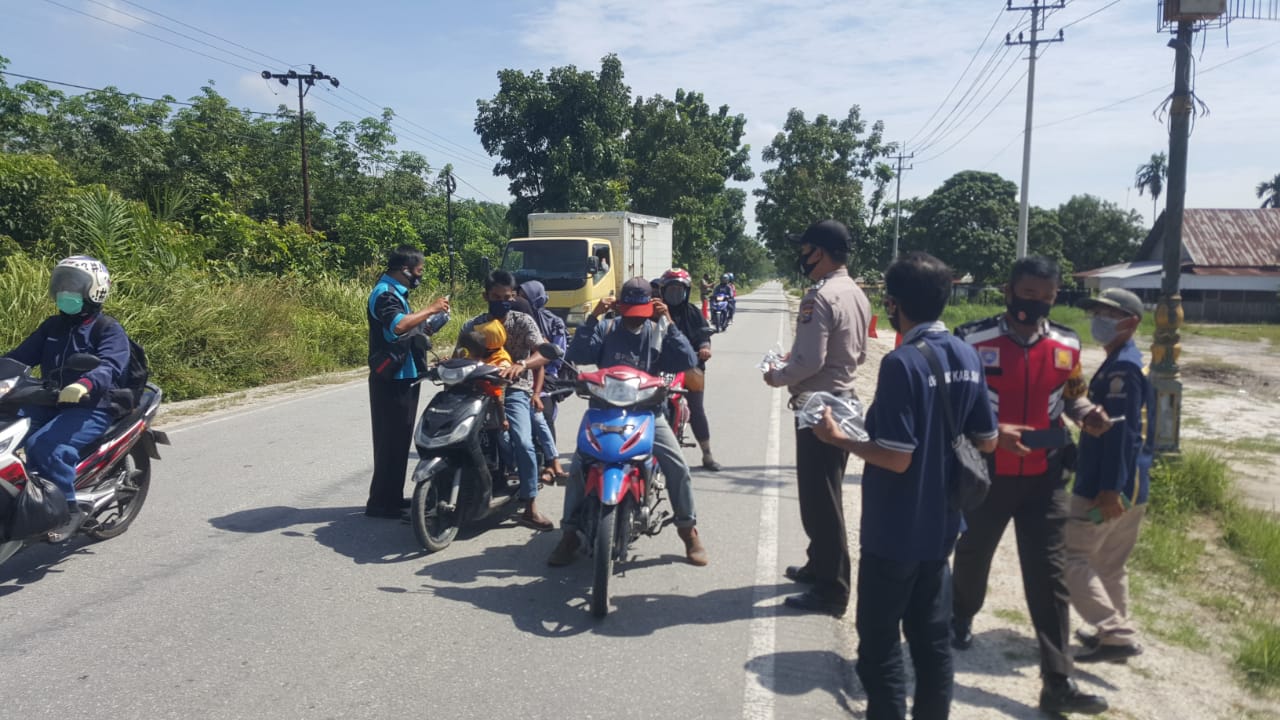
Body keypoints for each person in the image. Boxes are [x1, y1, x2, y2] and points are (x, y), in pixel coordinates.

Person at [814, 252, 998, 720]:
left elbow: (897, 458)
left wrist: (838, 438)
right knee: (932, 643)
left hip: (895, 529)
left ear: (894, 304)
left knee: (879, 647)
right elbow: (988, 439)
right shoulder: (967, 354)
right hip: (942, 526)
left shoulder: (902, 364)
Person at [950, 256, 1109, 716]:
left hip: (1046, 476)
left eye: (1046, 297)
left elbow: (1074, 398)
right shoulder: (972, 339)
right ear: (1009, 291)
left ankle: (1057, 681)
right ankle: (960, 613)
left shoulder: (1066, 343)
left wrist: (1090, 416)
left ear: (1056, 298)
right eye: (1028, 294)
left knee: (1049, 576)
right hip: (987, 473)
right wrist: (992, 434)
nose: (1035, 304)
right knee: (973, 554)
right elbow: (956, 405)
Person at [547, 277, 709, 567]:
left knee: (678, 468)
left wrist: (669, 323)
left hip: (647, 412)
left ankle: (688, 531)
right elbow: (577, 355)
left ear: (652, 307)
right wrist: (593, 317)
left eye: (641, 314)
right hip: (603, 411)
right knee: (579, 468)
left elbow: (686, 360)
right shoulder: (607, 327)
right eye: (629, 313)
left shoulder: (658, 331)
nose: (635, 320)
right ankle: (569, 534)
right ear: (619, 307)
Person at [762, 219, 871, 616]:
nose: (802, 257)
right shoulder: (856, 293)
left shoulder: (819, 297)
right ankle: (819, 564)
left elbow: (810, 361)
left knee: (820, 500)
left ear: (819, 252)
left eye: (805, 250)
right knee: (827, 490)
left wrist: (777, 376)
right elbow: (859, 354)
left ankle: (832, 589)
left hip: (819, 404)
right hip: (846, 399)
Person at [4, 256, 129, 542]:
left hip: (92, 405)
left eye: (72, 284)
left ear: (95, 289)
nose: (64, 291)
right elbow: (18, 358)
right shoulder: (52, 327)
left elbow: (110, 366)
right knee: (7, 428)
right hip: (51, 400)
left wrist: (85, 384)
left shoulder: (107, 328)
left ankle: (68, 509)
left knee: (45, 445)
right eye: (61, 284)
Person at [1066, 288, 1153, 664]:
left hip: (1106, 487)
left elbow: (1121, 434)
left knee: (1070, 557)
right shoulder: (1125, 361)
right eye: (1096, 312)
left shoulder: (1122, 369)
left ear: (1130, 322)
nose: (1098, 320)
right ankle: (1112, 634)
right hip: (1133, 485)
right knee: (1110, 563)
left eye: (1108, 314)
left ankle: (1117, 632)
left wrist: (1108, 490)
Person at [462, 270, 556, 530]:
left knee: (523, 442)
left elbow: (543, 353)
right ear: (486, 297)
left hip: (516, 389)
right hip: (478, 388)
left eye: (507, 297)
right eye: (496, 297)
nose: (502, 301)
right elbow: (461, 352)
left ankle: (530, 507)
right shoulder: (474, 325)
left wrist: (521, 364)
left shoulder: (523, 321)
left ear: (513, 296)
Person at [365, 245, 450, 519]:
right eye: (419, 271)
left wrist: (432, 321)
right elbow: (398, 326)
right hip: (392, 378)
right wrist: (431, 308)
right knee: (390, 441)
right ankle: (381, 503)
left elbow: (408, 330)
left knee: (399, 440)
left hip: (405, 374)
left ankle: (390, 497)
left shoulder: (396, 293)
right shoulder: (384, 294)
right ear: (405, 270)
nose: (420, 276)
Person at [658, 268, 721, 471]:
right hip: (660, 367)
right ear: (663, 291)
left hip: (690, 366)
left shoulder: (693, 312)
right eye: (671, 289)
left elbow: (704, 336)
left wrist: (705, 348)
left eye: (679, 289)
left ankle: (707, 454)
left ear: (686, 291)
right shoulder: (655, 311)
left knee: (696, 409)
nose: (675, 293)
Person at [517, 281, 570, 483]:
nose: (518, 300)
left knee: (543, 414)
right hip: (516, 373)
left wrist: (536, 360)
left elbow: (557, 355)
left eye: (523, 296)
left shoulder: (553, 322)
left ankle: (550, 463)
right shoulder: (511, 319)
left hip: (546, 373)